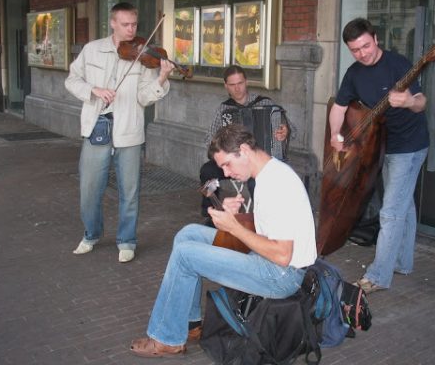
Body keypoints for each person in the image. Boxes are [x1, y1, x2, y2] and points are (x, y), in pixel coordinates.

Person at [129, 124, 317, 357]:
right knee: (188, 234)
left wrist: (235, 228)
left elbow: (282, 254)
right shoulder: (270, 172)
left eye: (227, 164)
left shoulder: (276, 183)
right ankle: (190, 323)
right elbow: (273, 226)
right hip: (271, 261)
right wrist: (238, 218)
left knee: (185, 254)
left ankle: (167, 339)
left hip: (281, 276)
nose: (226, 173)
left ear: (245, 150)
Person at [65, 2, 175, 263]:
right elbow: (72, 80)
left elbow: (144, 97)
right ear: (112, 23)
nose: (131, 30)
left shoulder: (144, 54)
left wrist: (161, 78)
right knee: (89, 189)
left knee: (130, 190)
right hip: (97, 126)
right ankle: (91, 234)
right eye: (125, 24)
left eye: (134, 24)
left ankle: (127, 240)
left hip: (129, 130)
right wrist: (93, 90)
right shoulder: (92, 50)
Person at [328, 18, 429, 293]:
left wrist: (408, 101)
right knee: (402, 204)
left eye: (366, 46)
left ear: (376, 38)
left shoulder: (397, 64)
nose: (363, 54)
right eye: (355, 50)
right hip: (381, 145)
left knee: (391, 211)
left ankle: (378, 276)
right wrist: (335, 134)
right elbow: (338, 107)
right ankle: (403, 263)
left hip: (409, 146)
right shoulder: (354, 73)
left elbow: (421, 102)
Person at [200, 65, 291, 221]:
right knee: (207, 171)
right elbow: (209, 139)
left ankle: (262, 219)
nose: (237, 88)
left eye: (240, 83)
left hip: (258, 162)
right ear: (226, 86)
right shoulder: (224, 109)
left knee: (256, 182)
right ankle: (213, 212)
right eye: (232, 85)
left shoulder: (266, 103)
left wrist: (285, 131)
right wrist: (222, 145)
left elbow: (290, 128)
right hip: (233, 161)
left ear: (246, 82)